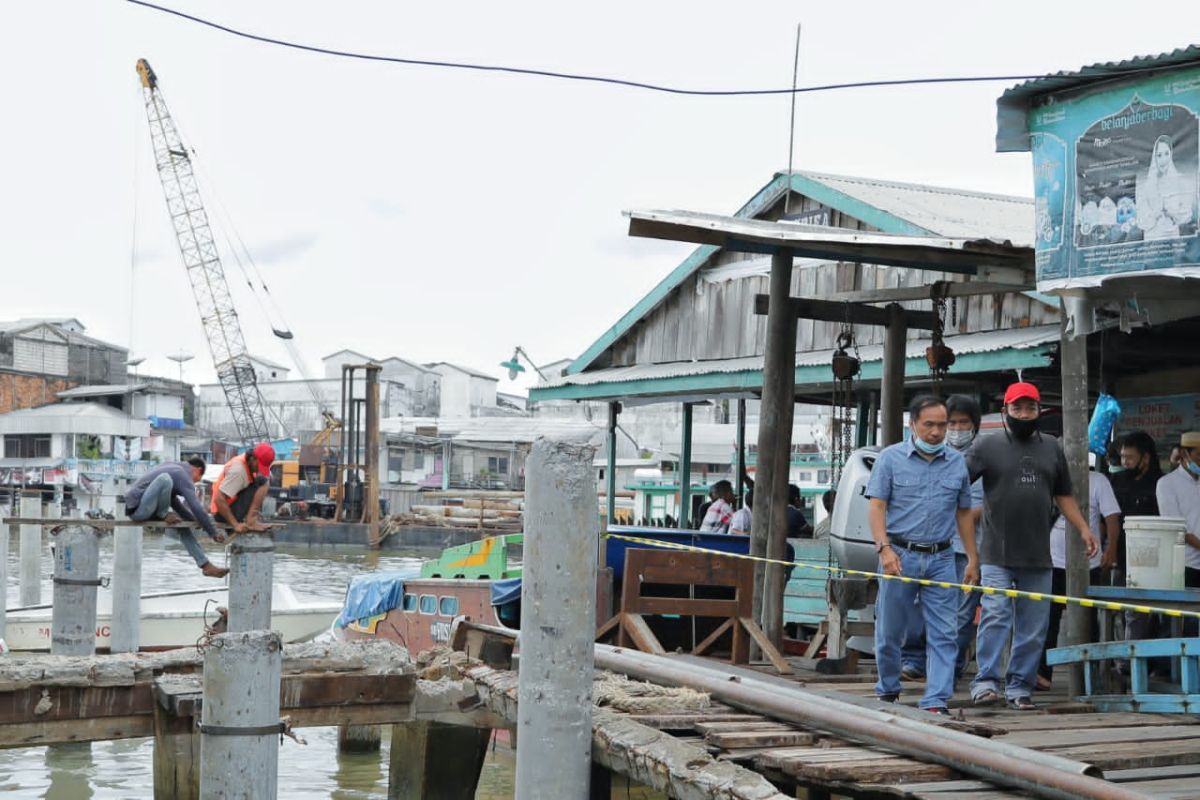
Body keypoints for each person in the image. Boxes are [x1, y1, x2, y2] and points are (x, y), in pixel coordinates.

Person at [968, 382, 1099, 710]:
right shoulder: (987, 446)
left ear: (1040, 411)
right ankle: (985, 682)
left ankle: (1019, 688)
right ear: (1005, 412)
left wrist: (1083, 528)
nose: (1024, 414)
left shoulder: (1052, 447)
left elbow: (1064, 494)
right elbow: (957, 482)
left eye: (1030, 408)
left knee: (1033, 624)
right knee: (996, 614)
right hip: (996, 552)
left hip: (1039, 555)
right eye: (1017, 408)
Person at [867, 395, 978, 715]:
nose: (937, 431)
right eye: (929, 424)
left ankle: (936, 700)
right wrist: (884, 548)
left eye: (942, 425)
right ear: (912, 424)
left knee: (946, 633)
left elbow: (964, 513)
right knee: (890, 632)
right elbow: (876, 506)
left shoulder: (957, 461)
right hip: (899, 555)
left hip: (943, 558)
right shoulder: (890, 458)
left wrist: (972, 557)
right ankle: (888, 688)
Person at [900, 394, 985, 682]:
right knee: (917, 608)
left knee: (960, 614)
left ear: (975, 425)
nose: (957, 428)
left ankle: (949, 666)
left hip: (970, 548)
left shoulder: (984, 457)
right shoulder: (926, 455)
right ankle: (914, 660)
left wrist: (969, 514)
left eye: (964, 423)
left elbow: (992, 501)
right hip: (929, 546)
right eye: (953, 422)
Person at [1038, 465, 1121, 687]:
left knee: (1088, 622)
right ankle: (1042, 675)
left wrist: (1110, 548)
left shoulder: (1098, 480)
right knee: (1047, 620)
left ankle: (1090, 676)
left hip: (1088, 563)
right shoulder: (1047, 478)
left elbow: (1112, 517)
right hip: (1052, 561)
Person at [125, 458, 229, 578]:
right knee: (165, 478)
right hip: (138, 509)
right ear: (197, 470)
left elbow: (175, 504)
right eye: (197, 480)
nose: (193, 483)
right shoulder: (180, 473)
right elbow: (195, 506)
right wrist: (213, 532)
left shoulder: (172, 468)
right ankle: (164, 514)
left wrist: (193, 519)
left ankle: (205, 565)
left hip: (149, 508)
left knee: (181, 524)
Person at [1157, 432, 1200, 589]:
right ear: (1184, 454)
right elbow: (1176, 528)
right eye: (1199, 455)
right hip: (1185, 565)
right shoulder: (1167, 484)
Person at [1137, 134, 1196, 240]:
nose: (1163, 159)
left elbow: (1187, 215)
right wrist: (1156, 214)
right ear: (1154, 157)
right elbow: (1141, 222)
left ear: (1171, 154)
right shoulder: (1146, 185)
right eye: (1159, 155)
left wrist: (1172, 214)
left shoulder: (1179, 182)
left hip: (1174, 240)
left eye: (1166, 154)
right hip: (1152, 242)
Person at [210, 443, 275, 532]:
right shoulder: (238, 471)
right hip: (221, 512)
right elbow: (219, 499)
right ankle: (251, 521)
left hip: (229, 506)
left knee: (264, 479)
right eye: (259, 466)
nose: (259, 470)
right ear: (253, 458)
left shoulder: (247, 460)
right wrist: (235, 525)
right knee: (264, 482)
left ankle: (250, 519)